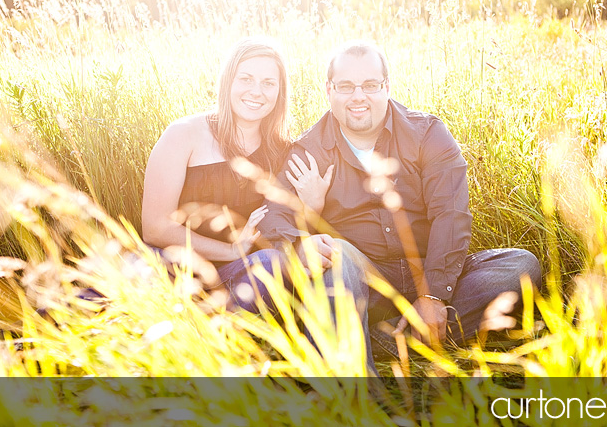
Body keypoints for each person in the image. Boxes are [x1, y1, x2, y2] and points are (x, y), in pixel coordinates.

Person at [260, 40, 542, 374]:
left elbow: (450, 215)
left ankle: (379, 342)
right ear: (329, 90)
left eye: (370, 85)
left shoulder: (427, 134)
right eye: (346, 86)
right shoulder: (309, 150)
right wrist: (299, 242)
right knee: (332, 254)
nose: (358, 97)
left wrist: (435, 295)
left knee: (520, 266)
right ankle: (358, 389)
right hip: (367, 285)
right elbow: (273, 217)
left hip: (434, 273)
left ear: (387, 87)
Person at [141, 37, 320, 312]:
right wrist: (228, 251)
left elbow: (286, 229)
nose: (257, 92)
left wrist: (314, 202)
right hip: (174, 266)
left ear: (279, 92)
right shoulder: (183, 135)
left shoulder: (283, 153)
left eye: (268, 83)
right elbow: (155, 228)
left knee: (272, 264)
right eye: (246, 79)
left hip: (238, 276)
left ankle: (217, 336)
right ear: (228, 83)